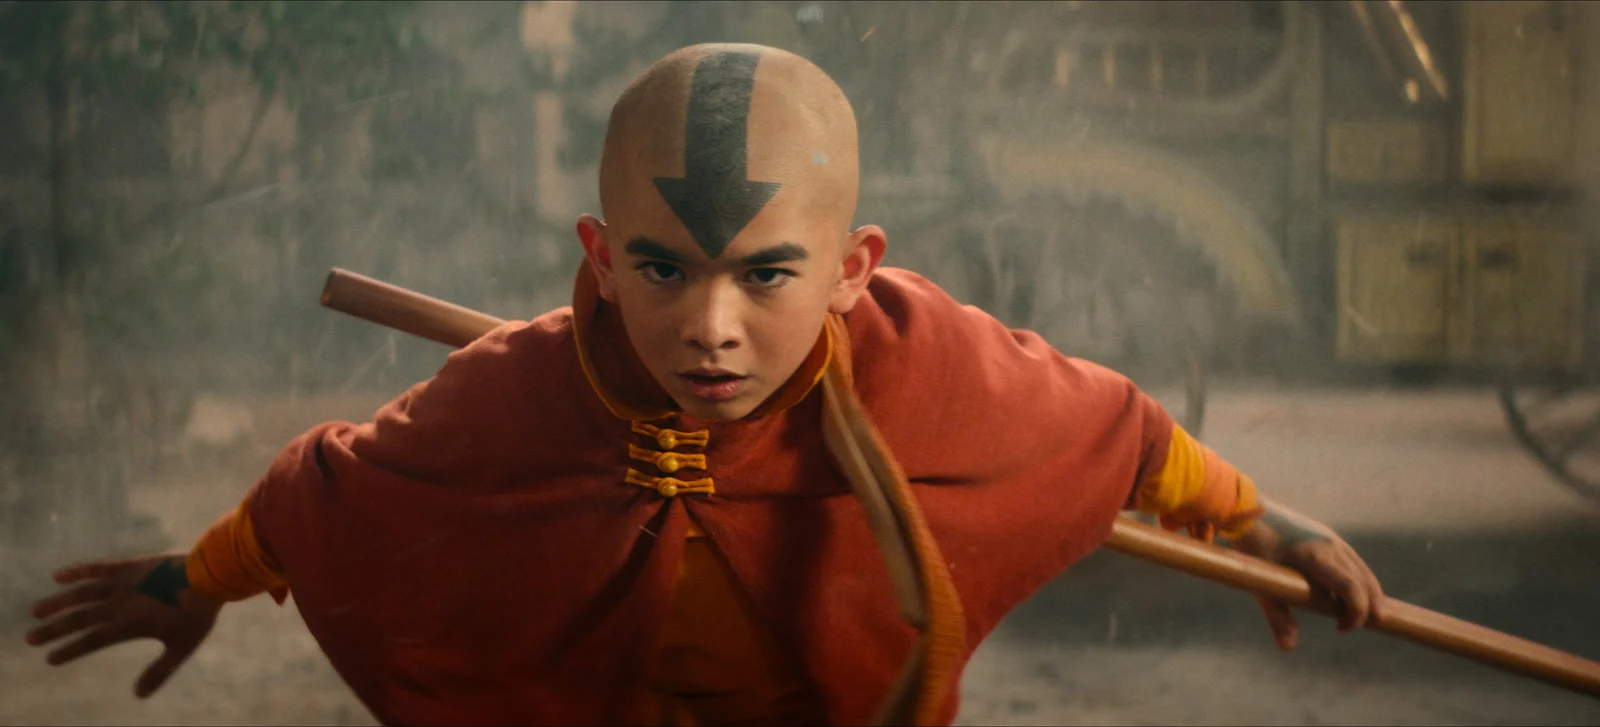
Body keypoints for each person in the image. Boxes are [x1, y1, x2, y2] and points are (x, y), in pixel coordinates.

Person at [25, 43, 1384, 727]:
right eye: (664, 270)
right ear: (598, 256)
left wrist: (1271, 526)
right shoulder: (526, 386)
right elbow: (335, 495)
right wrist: (193, 581)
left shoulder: (928, 362)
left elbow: (1118, 434)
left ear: (854, 267)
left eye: (766, 275)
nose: (710, 330)